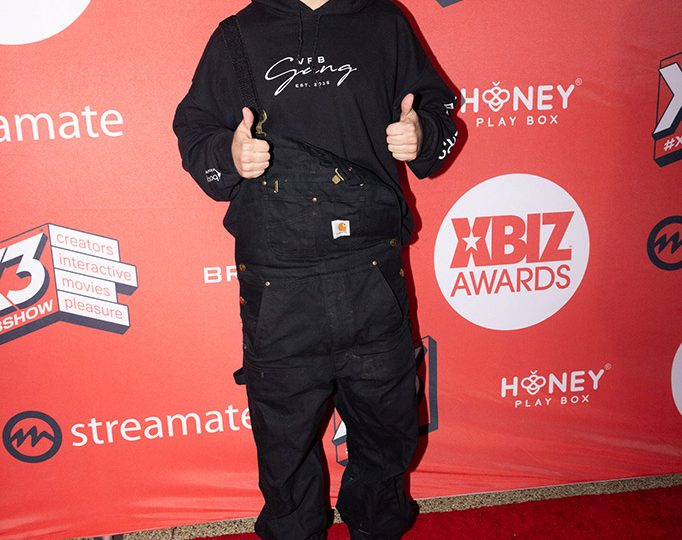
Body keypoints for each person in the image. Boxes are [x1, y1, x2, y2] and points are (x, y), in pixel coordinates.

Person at [173, 1, 457, 538]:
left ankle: (376, 524)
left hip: (370, 269)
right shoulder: (237, 35)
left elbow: (438, 111)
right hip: (279, 277)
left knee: (387, 422)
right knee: (284, 439)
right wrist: (229, 155)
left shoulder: (384, 23)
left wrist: (422, 132)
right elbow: (194, 131)